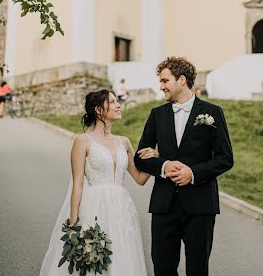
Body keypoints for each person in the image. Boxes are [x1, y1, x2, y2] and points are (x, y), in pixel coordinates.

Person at [134, 56, 234, 276]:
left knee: (197, 270)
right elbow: (140, 157)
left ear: (181, 80)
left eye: (164, 81)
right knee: (162, 268)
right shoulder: (157, 115)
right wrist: (164, 165)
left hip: (200, 206)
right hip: (164, 205)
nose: (161, 86)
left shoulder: (212, 112)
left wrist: (193, 173)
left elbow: (225, 158)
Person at [40, 89, 156, 275]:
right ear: (99, 110)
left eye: (117, 101)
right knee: (93, 262)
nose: (119, 105)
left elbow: (140, 179)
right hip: (93, 208)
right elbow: (78, 183)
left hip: (122, 210)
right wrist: (73, 220)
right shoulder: (82, 141)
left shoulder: (124, 142)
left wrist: (154, 159)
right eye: (112, 101)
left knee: (122, 258)